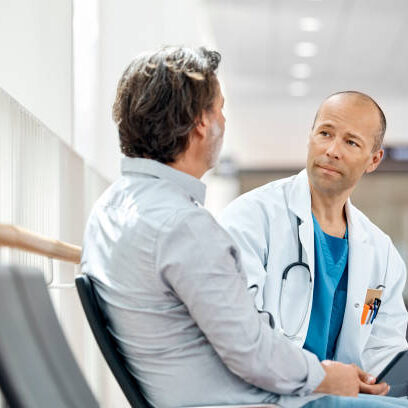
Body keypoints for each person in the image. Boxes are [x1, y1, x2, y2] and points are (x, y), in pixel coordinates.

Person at [81, 48, 404, 408]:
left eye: (351, 142)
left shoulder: (110, 208)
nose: (224, 121)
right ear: (201, 122)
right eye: (220, 108)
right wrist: (328, 376)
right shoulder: (184, 226)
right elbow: (252, 350)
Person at [219, 91, 408, 381]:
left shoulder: (382, 255)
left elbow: (385, 351)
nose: (332, 149)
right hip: (271, 389)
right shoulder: (252, 217)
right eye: (325, 133)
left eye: (351, 142)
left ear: (374, 160)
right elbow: (237, 330)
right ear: (310, 137)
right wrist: (319, 377)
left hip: (346, 397)